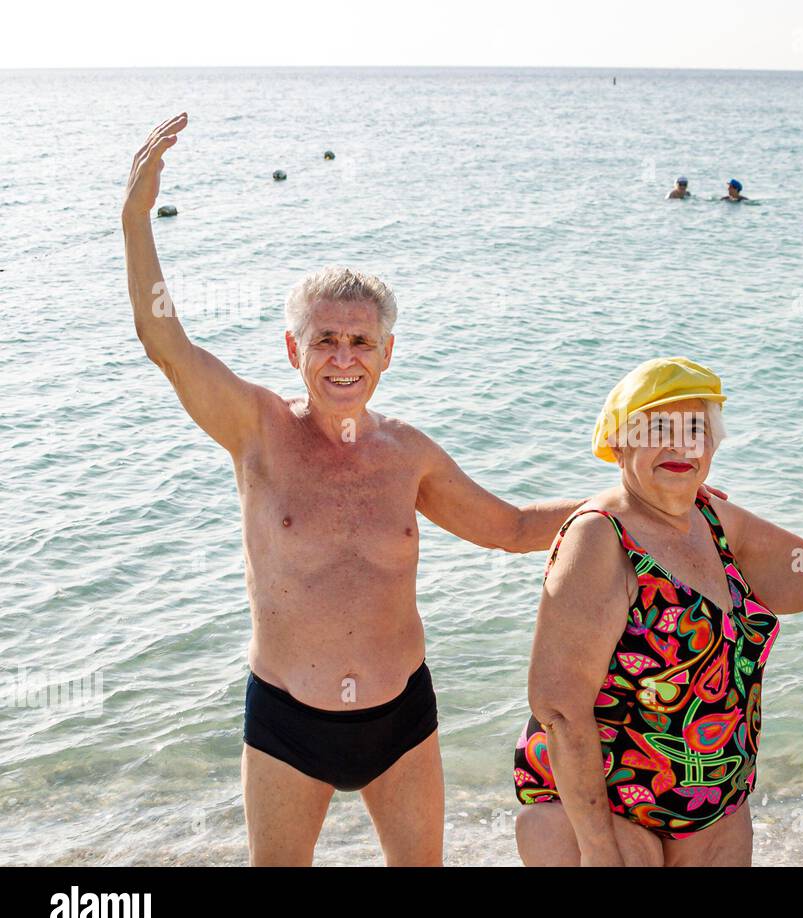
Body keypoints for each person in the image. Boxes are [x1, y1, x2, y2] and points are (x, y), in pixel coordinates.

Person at [122, 113, 586, 866]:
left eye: (360, 341)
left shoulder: (408, 454)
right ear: (292, 349)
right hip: (285, 722)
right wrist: (136, 218)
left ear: (387, 352)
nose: (343, 357)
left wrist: (635, 503)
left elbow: (511, 526)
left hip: (401, 719)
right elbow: (165, 344)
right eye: (325, 340)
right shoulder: (257, 430)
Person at [513, 357, 803, 865]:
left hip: (713, 807)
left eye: (696, 428)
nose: (682, 445)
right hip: (605, 814)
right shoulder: (598, 537)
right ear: (618, 441)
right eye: (660, 428)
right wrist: (597, 849)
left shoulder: (711, 518)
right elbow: (560, 709)